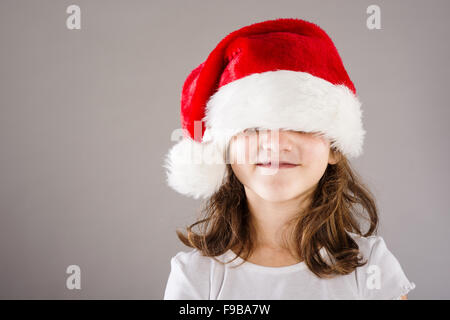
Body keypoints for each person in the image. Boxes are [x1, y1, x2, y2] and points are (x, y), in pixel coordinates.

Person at [162, 18, 416, 299]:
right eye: (253, 127)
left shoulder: (370, 267)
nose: (275, 143)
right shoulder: (196, 275)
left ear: (335, 148)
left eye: (300, 124)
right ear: (225, 149)